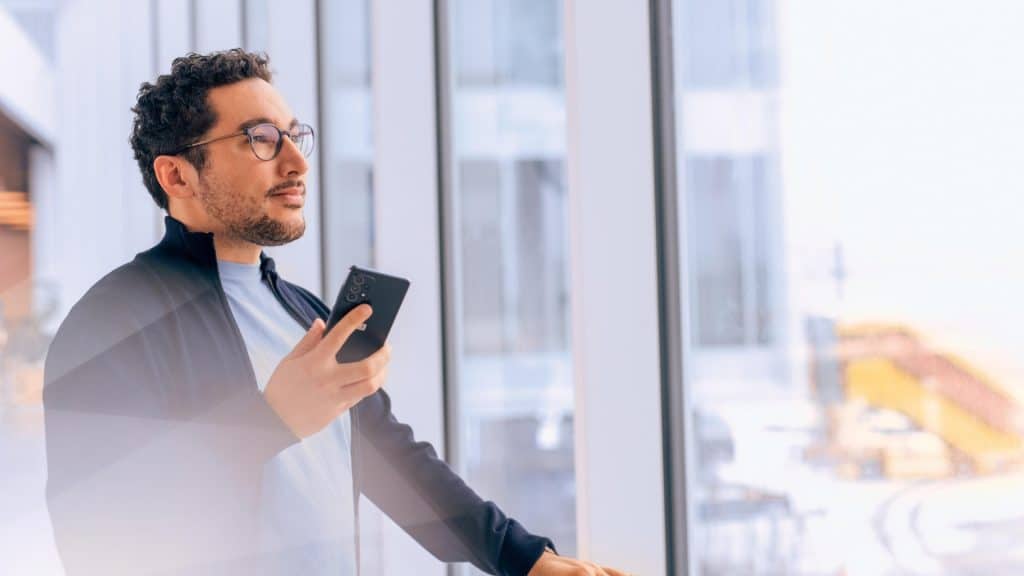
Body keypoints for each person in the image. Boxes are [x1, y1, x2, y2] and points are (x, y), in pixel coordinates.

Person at [43, 49, 628, 576]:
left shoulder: (305, 314)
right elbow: (97, 528)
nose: (296, 161)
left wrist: (524, 560)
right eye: (261, 138)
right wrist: (269, 419)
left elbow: (392, 461)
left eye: (296, 136)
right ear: (177, 174)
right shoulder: (112, 321)